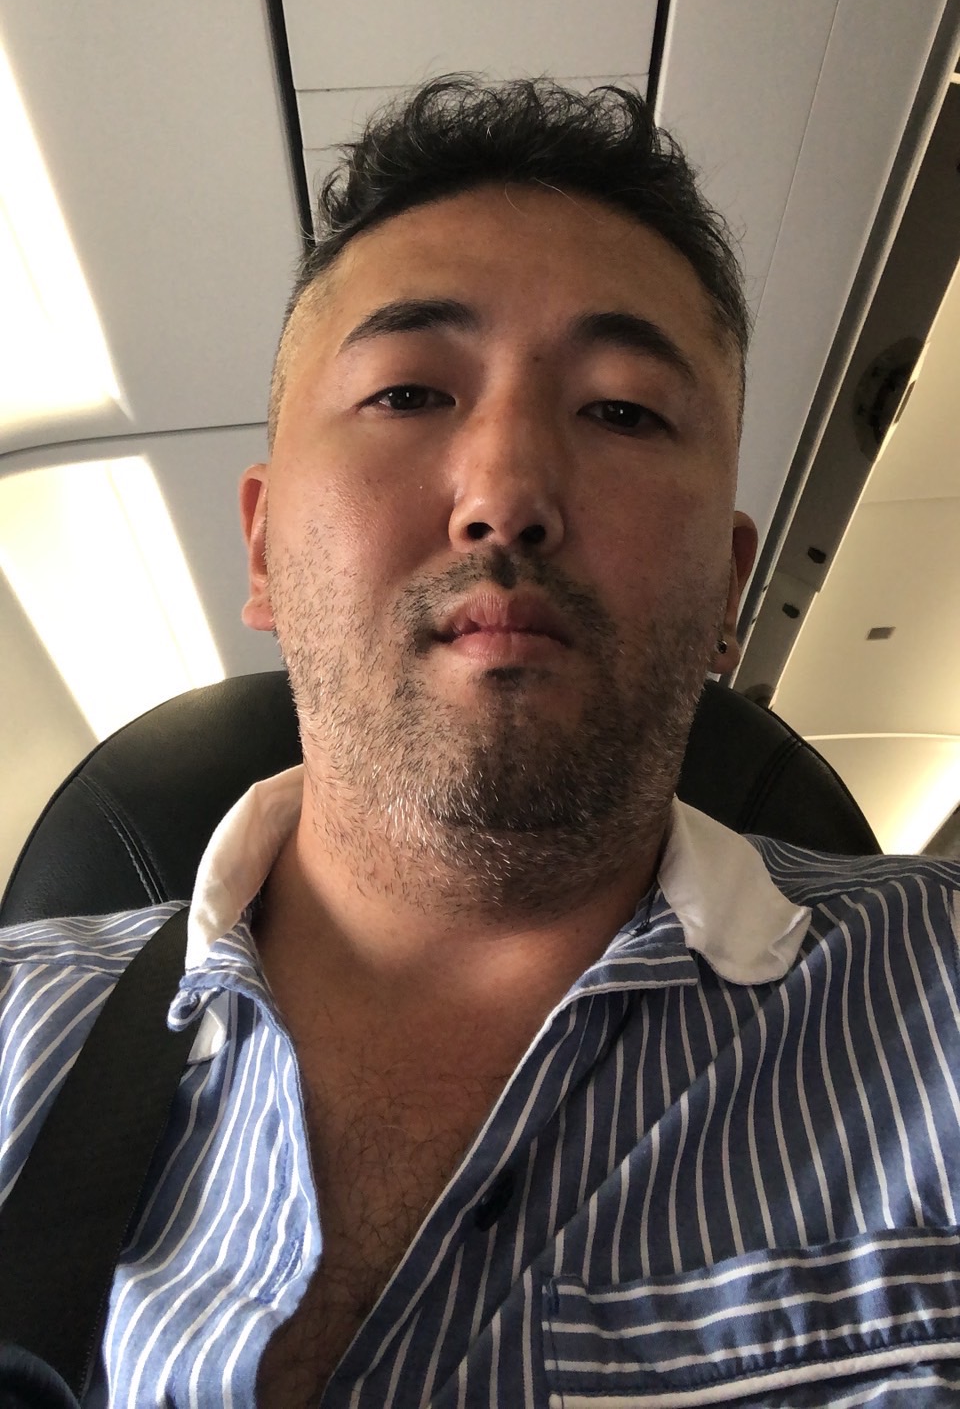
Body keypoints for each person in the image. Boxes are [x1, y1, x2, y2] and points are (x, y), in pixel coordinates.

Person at [1, 78, 959, 1408]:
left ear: (728, 592)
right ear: (265, 546)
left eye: (623, 411)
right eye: (408, 393)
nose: (506, 493)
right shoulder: (19, 1036)